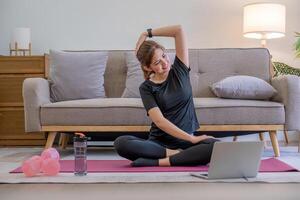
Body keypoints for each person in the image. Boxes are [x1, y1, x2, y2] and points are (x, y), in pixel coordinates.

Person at [114, 25, 219, 167]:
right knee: (121, 143)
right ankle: (178, 156)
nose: (165, 63)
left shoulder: (180, 70)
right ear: (147, 67)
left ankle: (158, 162)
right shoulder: (146, 87)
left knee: (216, 146)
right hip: (159, 144)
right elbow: (160, 121)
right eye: (157, 62)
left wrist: (147, 33)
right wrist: (192, 139)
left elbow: (179, 30)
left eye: (164, 56)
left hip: (186, 142)